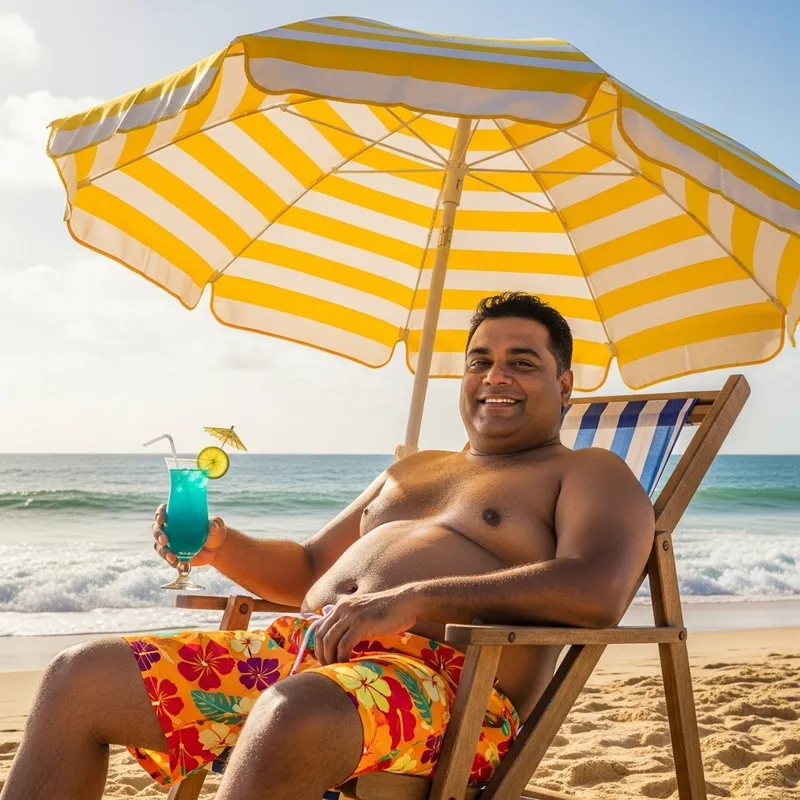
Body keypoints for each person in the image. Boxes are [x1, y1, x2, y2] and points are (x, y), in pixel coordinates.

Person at [1, 292, 654, 800]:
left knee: (292, 712)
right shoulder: (413, 467)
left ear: (565, 384)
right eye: (480, 360)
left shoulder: (587, 472)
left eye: (523, 361)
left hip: (444, 694)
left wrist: (413, 599)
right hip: (304, 655)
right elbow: (309, 570)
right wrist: (223, 547)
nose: (495, 375)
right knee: (75, 678)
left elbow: (595, 591)